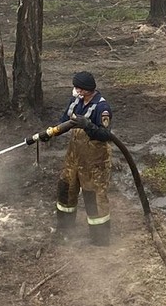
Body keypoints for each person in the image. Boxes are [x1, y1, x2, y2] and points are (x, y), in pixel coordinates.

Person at [53, 71, 113, 246]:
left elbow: (105, 135)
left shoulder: (102, 108)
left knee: (93, 198)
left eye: (78, 87)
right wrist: (51, 133)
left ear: (87, 90)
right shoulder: (75, 103)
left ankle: (99, 239)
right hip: (73, 159)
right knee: (66, 192)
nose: (76, 90)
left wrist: (89, 126)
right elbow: (65, 121)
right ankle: (65, 231)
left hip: (94, 163)